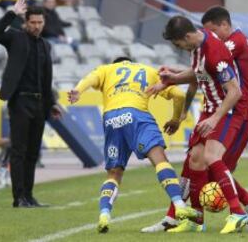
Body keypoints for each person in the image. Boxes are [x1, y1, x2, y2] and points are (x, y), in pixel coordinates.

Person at [142, 7, 248, 233]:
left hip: (231, 111)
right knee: (195, 160)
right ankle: (193, 219)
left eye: (179, 44)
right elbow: (199, 73)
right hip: (213, 109)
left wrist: (215, 117)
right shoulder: (199, 47)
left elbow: (233, 89)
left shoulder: (222, 47)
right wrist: (171, 80)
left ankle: (242, 208)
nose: (179, 49)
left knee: (214, 164)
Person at [68, 57, 197, 233]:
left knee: (114, 173)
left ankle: (104, 215)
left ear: (117, 63)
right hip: (137, 116)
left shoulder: (106, 69)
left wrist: (77, 90)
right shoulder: (149, 71)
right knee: (159, 160)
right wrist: (175, 119)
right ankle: (180, 205)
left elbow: (89, 79)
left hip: (112, 119)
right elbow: (179, 95)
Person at [0, 0, 62, 208]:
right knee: (19, 151)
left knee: (33, 152)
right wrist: (11, 13)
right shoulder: (15, 37)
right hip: (20, 100)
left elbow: (45, 78)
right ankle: (18, 197)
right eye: (33, 22)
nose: (37, 26)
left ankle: (29, 196)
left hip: (39, 104)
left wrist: (52, 104)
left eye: (40, 22)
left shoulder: (46, 45)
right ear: (26, 22)